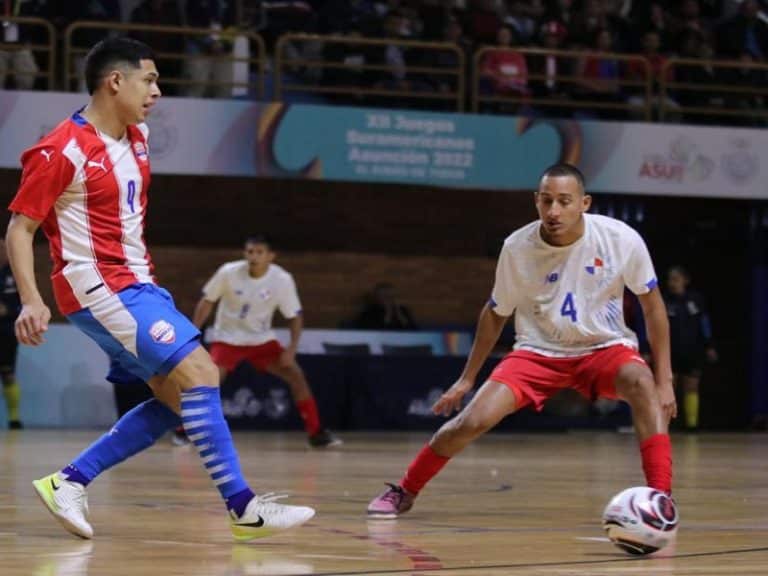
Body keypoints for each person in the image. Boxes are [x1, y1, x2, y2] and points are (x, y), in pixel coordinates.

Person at [6, 37, 314, 540]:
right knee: (202, 371)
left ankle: (69, 481)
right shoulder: (63, 148)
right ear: (115, 81)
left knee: (177, 400)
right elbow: (20, 229)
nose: (157, 91)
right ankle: (244, 508)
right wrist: (31, 299)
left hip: (139, 285)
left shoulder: (140, 137)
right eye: (148, 79)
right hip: (99, 287)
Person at [367, 163, 676, 518]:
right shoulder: (517, 246)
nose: (554, 211)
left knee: (642, 384)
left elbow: (653, 309)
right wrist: (467, 378)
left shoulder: (621, 239)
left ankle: (660, 500)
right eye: (546, 201)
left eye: (564, 201)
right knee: (469, 422)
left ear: (584, 203)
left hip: (603, 348)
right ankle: (405, 490)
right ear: (536, 202)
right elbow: (496, 311)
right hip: (537, 352)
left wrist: (664, 382)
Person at [191, 235, 342, 448]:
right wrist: (193, 333)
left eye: (259, 252)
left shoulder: (282, 279)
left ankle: (316, 433)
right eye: (250, 252)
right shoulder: (228, 272)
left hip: (261, 341)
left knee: (296, 376)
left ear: (271, 256)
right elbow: (207, 301)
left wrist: (291, 349)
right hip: (227, 338)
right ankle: (183, 431)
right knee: (206, 381)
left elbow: (294, 316)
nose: (254, 257)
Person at [665, 266, 717, 431]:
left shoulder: (696, 299)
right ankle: (665, 425)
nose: (673, 283)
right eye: (670, 279)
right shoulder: (665, 301)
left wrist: (709, 345)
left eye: (676, 279)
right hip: (671, 351)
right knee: (669, 388)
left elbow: (704, 323)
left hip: (692, 350)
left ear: (685, 280)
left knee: (691, 386)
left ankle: (691, 425)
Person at [0, 239, 22, 428]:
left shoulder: (16, 275)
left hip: (7, 332)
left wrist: (6, 310)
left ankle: (14, 419)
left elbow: (23, 306)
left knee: (8, 374)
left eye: (3, 248)